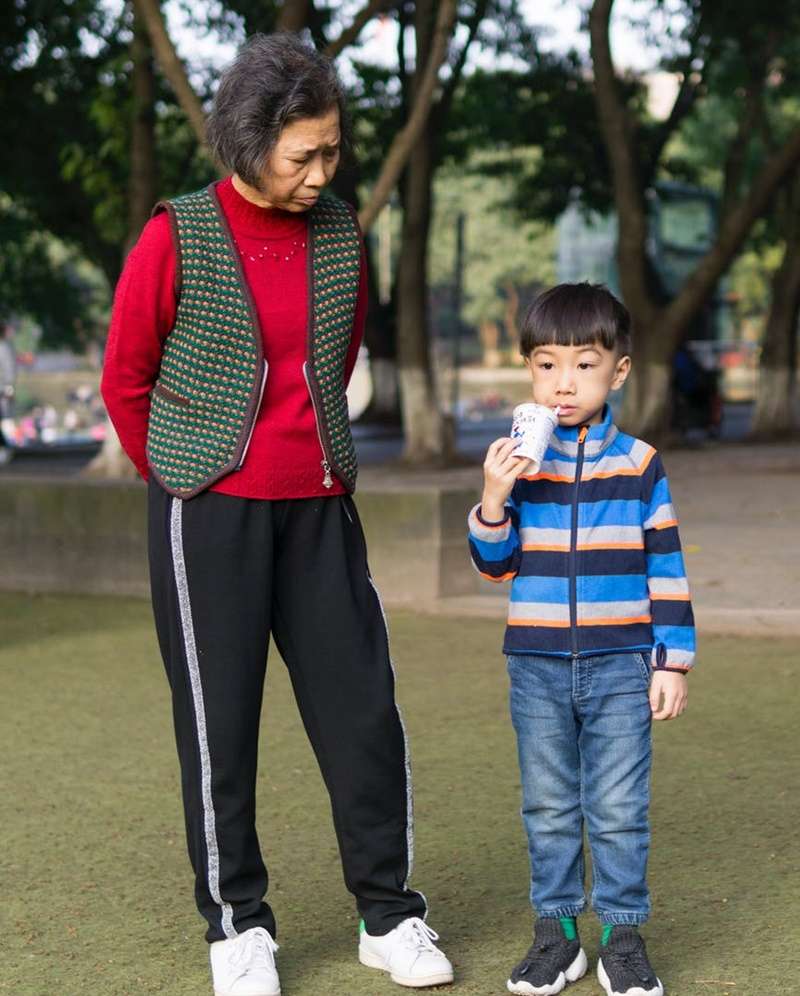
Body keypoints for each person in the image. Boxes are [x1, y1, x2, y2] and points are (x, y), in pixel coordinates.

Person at [101, 33, 453, 996]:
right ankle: (237, 928)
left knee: (363, 715)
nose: (321, 170)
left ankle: (389, 915)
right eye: (303, 154)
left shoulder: (342, 231)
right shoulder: (175, 233)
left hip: (320, 507)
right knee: (221, 726)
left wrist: (309, 450)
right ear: (247, 144)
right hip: (206, 511)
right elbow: (126, 376)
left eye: (332, 148)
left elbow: (331, 365)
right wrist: (177, 473)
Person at [468, 283, 695, 996]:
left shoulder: (639, 464)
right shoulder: (519, 462)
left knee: (621, 808)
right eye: (545, 365)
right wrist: (495, 497)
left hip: (624, 662)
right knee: (548, 804)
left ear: (618, 371)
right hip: (534, 663)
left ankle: (622, 936)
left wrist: (673, 661)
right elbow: (493, 565)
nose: (563, 383)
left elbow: (666, 564)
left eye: (584, 365)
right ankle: (557, 936)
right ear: (529, 370)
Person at [0, 325, 16, 464]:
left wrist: (9, 388)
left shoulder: (3, 348)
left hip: (2, 392)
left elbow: (8, 370)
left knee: (4, 420)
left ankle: (6, 448)